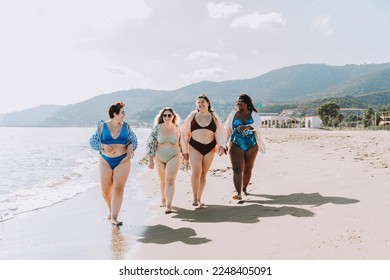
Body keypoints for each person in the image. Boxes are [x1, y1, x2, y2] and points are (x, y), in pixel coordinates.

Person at [89, 102, 138, 226]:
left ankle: (114, 217)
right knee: (105, 192)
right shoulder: (102, 126)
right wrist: (102, 145)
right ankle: (111, 211)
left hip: (123, 160)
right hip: (105, 160)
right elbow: (92, 141)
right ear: (115, 114)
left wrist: (131, 146)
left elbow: (134, 140)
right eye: (122, 112)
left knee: (118, 188)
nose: (124, 115)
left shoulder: (126, 127)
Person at [181, 93, 226, 207]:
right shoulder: (192, 116)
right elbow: (185, 133)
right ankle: (194, 198)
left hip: (210, 147)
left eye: (203, 102)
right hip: (195, 146)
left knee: (203, 174)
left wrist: (221, 145)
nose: (200, 104)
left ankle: (200, 198)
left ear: (208, 103)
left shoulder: (214, 116)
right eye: (198, 102)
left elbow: (220, 132)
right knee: (196, 172)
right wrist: (184, 152)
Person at [224, 94, 266, 200]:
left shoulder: (254, 114)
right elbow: (226, 129)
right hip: (236, 143)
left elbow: (258, 124)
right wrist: (223, 144)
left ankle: (244, 189)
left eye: (240, 101)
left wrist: (247, 126)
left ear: (247, 103)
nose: (238, 103)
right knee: (237, 170)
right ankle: (238, 193)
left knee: (248, 169)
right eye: (237, 101)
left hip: (252, 144)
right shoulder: (233, 114)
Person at [146, 107, 181, 214]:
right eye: (164, 115)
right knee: (162, 181)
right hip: (159, 158)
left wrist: (186, 155)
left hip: (174, 156)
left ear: (173, 117)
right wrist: (150, 160)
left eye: (169, 115)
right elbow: (150, 143)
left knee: (170, 179)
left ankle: (169, 206)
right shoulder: (157, 128)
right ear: (162, 117)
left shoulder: (178, 128)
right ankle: (163, 198)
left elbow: (183, 142)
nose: (167, 117)